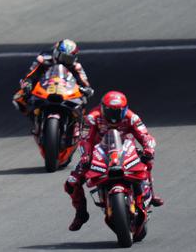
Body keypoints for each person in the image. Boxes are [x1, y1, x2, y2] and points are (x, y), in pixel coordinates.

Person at [64, 91, 163, 231]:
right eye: (111, 111)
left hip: (126, 150)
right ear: (103, 108)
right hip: (98, 153)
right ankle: (81, 213)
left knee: (147, 161)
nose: (114, 116)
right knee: (72, 182)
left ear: (125, 109)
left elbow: (145, 135)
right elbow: (85, 140)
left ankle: (151, 194)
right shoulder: (92, 118)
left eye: (118, 112)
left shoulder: (132, 117)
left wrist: (148, 149)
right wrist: (86, 155)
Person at [12, 39, 94, 115]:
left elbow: (83, 80)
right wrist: (28, 82)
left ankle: (78, 125)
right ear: (56, 53)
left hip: (67, 90)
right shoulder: (43, 59)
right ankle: (31, 115)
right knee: (18, 97)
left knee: (83, 100)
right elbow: (32, 73)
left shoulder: (76, 66)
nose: (65, 61)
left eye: (69, 59)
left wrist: (87, 88)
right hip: (45, 85)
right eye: (64, 57)